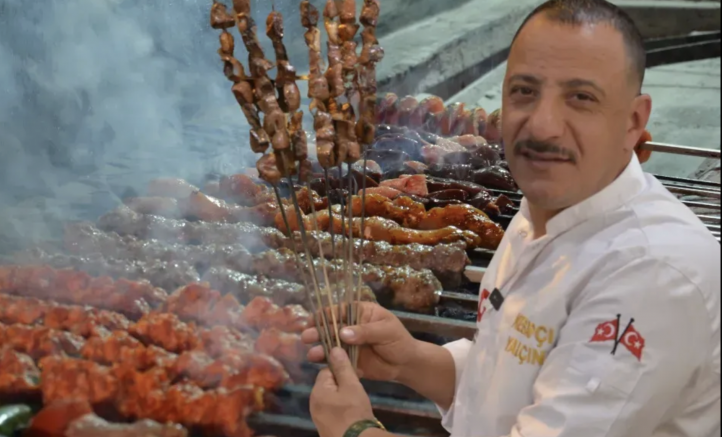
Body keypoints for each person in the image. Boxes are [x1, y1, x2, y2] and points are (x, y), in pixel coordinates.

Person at [304, 1, 722, 436]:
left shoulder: (653, 275)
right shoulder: (543, 211)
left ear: (634, 122)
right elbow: (507, 382)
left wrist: (354, 430)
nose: (542, 125)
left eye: (581, 98)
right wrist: (410, 361)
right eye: (524, 91)